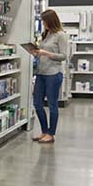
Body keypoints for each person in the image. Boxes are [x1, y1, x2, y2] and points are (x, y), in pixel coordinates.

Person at [29, 10, 68, 143]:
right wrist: (36, 52)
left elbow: (63, 56)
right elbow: (42, 52)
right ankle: (44, 131)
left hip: (53, 73)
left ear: (51, 21)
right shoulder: (46, 34)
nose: (43, 23)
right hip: (41, 72)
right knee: (37, 103)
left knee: (52, 105)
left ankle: (51, 134)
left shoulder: (60, 35)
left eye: (44, 21)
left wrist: (46, 53)